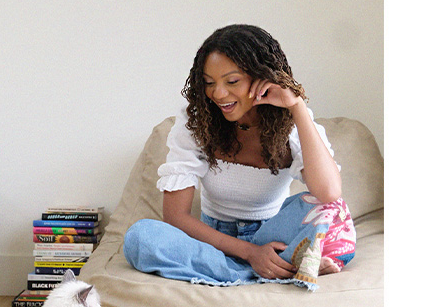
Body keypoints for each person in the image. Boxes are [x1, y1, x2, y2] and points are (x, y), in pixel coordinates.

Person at [123, 24, 355, 290]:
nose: (218, 94)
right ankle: (281, 268)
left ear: (262, 77)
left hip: (275, 235)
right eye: (209, 83)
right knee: (140, 238)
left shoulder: (291, 122)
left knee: (333, 210)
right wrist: (251, 253)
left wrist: (297, 106)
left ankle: (266, 266)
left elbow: (328, 192)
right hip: (213, 241)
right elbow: (176, 217)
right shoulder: (197, 122)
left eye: (232, 82)